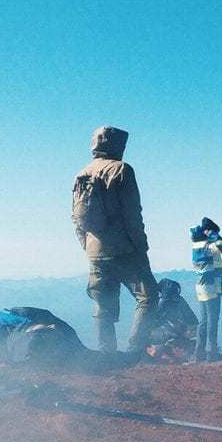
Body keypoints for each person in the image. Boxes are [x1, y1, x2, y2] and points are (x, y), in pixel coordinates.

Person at [70, 126, 160, 354]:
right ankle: (135, 350)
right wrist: (141, 246)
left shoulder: (82, 173)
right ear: (118, 145)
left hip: (94, 251)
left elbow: (76, 218)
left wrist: (87, 246)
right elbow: (132, 213)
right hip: (125, 249)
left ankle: (105, 353)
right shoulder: (121, 170)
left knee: (103, 303)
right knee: (148, 296)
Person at [189, 217, 222, 361]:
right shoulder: (206, 246)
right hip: (211, 287)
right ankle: (211, 353)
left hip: (202, 287)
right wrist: (212, 233)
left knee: (204, 320)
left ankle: (199, 353)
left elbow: (207, 267)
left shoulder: (197, 246)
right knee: (213, 319)